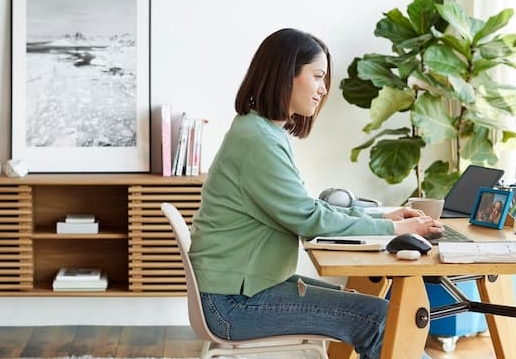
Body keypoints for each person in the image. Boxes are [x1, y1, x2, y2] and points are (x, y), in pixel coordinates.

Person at [187, 28, 443, 359]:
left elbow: (303, 207)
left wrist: (380, 217)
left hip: (239, 291)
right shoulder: (258, 141)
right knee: (379, 319)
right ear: (285, 75)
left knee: (375, 311)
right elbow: (309, 219)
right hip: (233, 304)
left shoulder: (259, 131)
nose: (323, 90)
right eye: (317, 76)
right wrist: (395, 230)